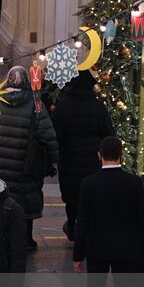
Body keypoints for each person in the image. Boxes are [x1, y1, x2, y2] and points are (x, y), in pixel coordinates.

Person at [72, 137, 144, 287]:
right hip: (125, 249)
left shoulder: (89, 184)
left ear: (99, 156)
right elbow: (143, 218)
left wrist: (78, 255)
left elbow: (82, 221)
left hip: (97, 248)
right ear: (121, 156)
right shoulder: (133, 183)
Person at [0, 66, 59, 250]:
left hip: (3, 160)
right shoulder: (35, 103)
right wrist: (54, 158)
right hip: (26, 160)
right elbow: (46, 133)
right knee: (25, 198)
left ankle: (5, 235)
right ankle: (26, 239)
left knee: (5, 196)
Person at [50, 70, 114, 240]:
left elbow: (56, 134)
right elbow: (108, 133)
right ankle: (88, 231)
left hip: (69, 159)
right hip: (92, 161)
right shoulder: (98, 106)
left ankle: (72, 225)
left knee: (72, 197)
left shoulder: (63, 106)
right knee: (90, 197)